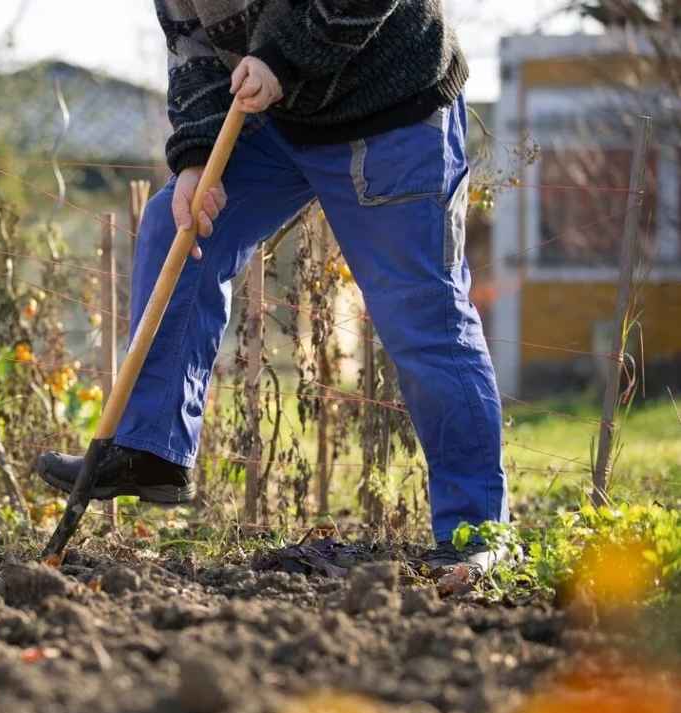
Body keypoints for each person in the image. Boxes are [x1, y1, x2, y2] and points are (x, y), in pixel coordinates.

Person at [36, 0, 509, 572]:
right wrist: (194, 157)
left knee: (423, 316)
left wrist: (280, 59)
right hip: (283, 119)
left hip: (390, 110)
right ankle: (152, 448)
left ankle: (474, 536)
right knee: (176, 224)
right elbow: (193, 52)